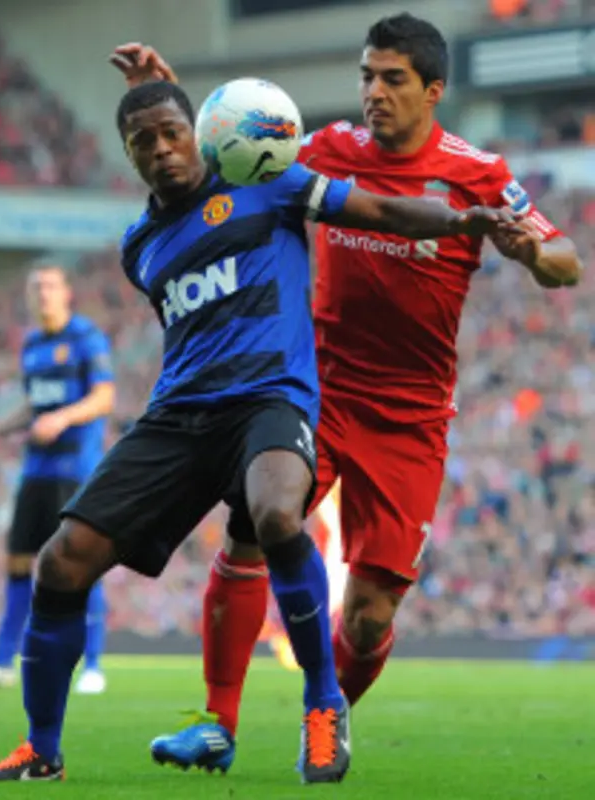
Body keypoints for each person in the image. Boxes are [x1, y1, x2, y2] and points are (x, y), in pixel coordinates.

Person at [0, 77, 512, 785]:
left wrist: (461, 221)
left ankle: (323, 708)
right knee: (60, 563)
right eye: (144, 142)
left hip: (269, 401)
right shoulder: (141, 247)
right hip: (179, 417)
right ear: (129, 156)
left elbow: (378, 209)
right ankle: (41, 751)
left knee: (278, 512)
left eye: (171, 133)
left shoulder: (271, 185)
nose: (162, 150)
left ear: (197, 132)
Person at [108, 11, 582, 775]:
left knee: (366, 619)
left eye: (392, 79)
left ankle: (325, 716)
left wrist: (533, 253)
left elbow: (566, 262)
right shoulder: (326, 149)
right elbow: (223, 154)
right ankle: (215, 721)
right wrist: (167, 94)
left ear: (433, 90)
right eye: (367, 76)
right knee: (257, 528)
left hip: (412, 416)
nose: (373, 92)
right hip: (314, 387)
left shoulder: (477, 172)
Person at [0, 265, 114, 696]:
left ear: (66, 293)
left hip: (75, 470)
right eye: (35, 287)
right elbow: (32, 406)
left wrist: (62, 417)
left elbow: (103, 397)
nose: (41, 293)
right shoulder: (33, 345)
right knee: (19, 566)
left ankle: (94, 664)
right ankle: (2, 662)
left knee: (82, 565)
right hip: (36, 472)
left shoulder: (85, 338)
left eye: (49, 286)